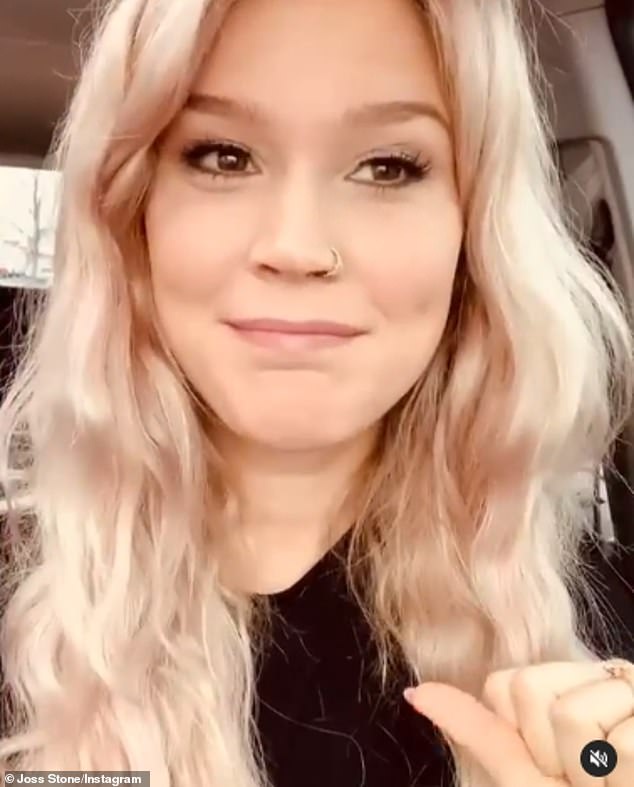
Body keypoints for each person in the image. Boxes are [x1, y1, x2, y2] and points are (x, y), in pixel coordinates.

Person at [0, 0, 633, 785]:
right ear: (134, 214)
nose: (297, 247)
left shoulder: (597, 661)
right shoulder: (22, 622)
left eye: (387, 166)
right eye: (224, 156)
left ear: (473, 234)